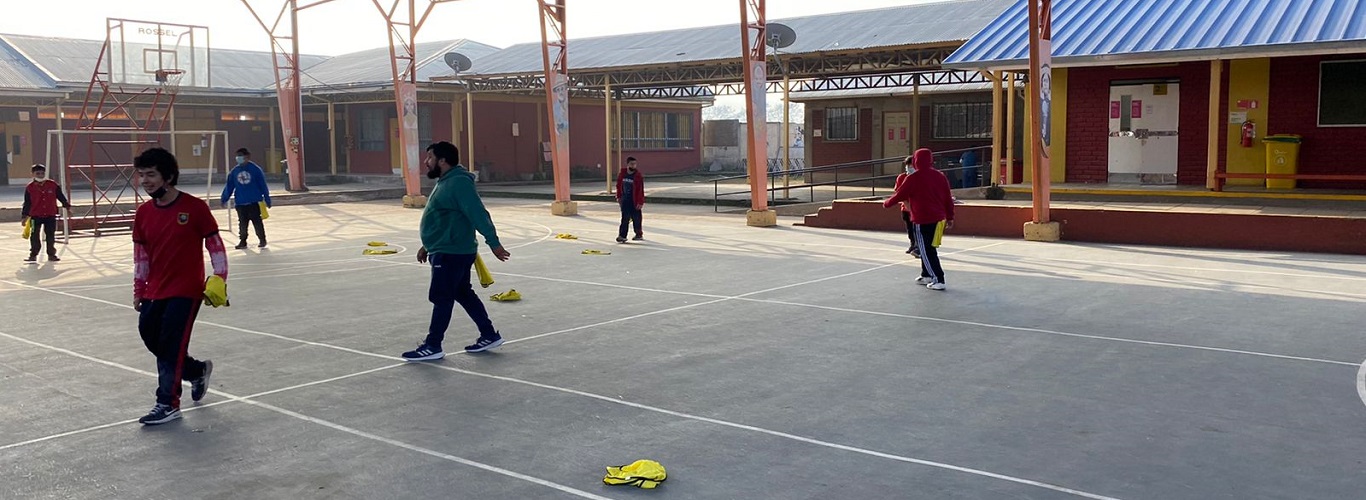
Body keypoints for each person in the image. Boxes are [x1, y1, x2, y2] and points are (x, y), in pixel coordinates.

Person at [131, 148, 228, 425]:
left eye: (151, 174)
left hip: (186, 290)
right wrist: (139, 289)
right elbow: (141, 257)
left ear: (168, 176)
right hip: (154, 289)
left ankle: (168, 403)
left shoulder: (195, 208)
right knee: (151, 336)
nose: (145, 181)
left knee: (171, 343)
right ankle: (196, 371)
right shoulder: (143, 213)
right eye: (141, 175)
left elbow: (215, 246)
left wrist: (219, 280)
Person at [403, 141, 511, 361]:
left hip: (452, 253)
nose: (426, 162)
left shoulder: (458, 183)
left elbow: (478, 213)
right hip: (446, 248)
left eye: (430, 157)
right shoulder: (447, 181)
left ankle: (433, 345)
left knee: (442, 297)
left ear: (442, 160)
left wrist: (494, 243)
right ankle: (489, 334)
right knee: (463, 293)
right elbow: (448, 218)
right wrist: (429, 245)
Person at [883, 148, 955, 291]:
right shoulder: (940, 176)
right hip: (939, 219)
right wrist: (950, 216)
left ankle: (938, 278)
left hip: (922, 219)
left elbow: (900, 195)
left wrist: (886, 203)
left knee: (926, 250)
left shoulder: (913, 178)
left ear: (915, 161)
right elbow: (948, 198)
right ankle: (926, 274)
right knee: (930, 248)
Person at [219, 148, 271, 249]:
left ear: (247, 157)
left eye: (241, 156)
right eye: (237, 156)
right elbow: (229, 186)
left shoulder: (256, 170)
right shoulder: (234, 172)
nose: (238, 158)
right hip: (240, 202)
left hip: (254, 202)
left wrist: (267, 199)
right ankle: (243, 241)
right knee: (242, 223)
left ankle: (262, 239)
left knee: (257, 221)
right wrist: (224, 198)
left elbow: (263, 185)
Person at [21, 164, 71, 262]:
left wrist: (67, 207)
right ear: (33, 174)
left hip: (50, 215)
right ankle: (33, 254)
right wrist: (24, 217)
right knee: (34, 235)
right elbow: (27, 203)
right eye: (38, 173)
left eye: (42, 173)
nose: (40, 175)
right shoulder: (29, 188)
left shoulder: (53, 185)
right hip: (35, 216)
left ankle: (51, 254)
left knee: (50, 235)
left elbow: (61, 197)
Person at [890, 159, 920, 258]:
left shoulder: (920, 177)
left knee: (918, 230)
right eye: (908, 166)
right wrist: (907, 205)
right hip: (906, 208)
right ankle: (913, 244)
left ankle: (918, 247)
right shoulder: (901, 177)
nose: (909, 168)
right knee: (910, 229)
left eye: (911, 166)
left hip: (919, 209)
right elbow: (899, 194)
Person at [615, 157, 645, 243]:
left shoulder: (638, 176)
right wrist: (619, 197)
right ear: (628, 164)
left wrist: (640, 202)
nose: (634, 166)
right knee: (625, 218)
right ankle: (622, 236)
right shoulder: (622, 174)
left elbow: (640, 190)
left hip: (634, 201)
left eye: (635, 164)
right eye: (632, 164)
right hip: (625, 200)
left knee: (637, 218)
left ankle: (639, 234)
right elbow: (618, 186)